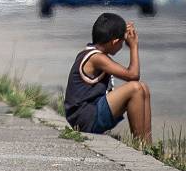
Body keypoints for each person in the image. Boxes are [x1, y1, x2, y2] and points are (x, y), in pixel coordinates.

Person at [64, 13, 152, 143]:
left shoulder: (93, 53)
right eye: (122, 43)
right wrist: (133, 46)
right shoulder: (96, 58)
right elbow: (133, 75)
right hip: (85, 118)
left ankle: (147, 144)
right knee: (135, 88)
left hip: (89, 113)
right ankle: (141, 143)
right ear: (115, 42)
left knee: (143, 88)